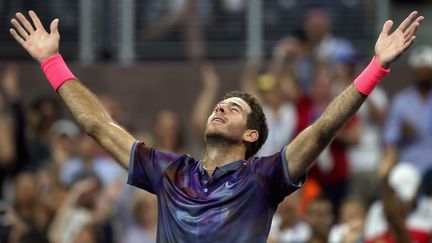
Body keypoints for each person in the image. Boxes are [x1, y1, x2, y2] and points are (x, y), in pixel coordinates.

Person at [9, 10, 423, 242]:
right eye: (219, 105)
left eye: (234, 109)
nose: (220, 108)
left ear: (251, 136)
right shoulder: (170, 172)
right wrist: (51, 61)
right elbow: (98, 125)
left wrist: (376, 68)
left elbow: (321, 129)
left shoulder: (264, 177)